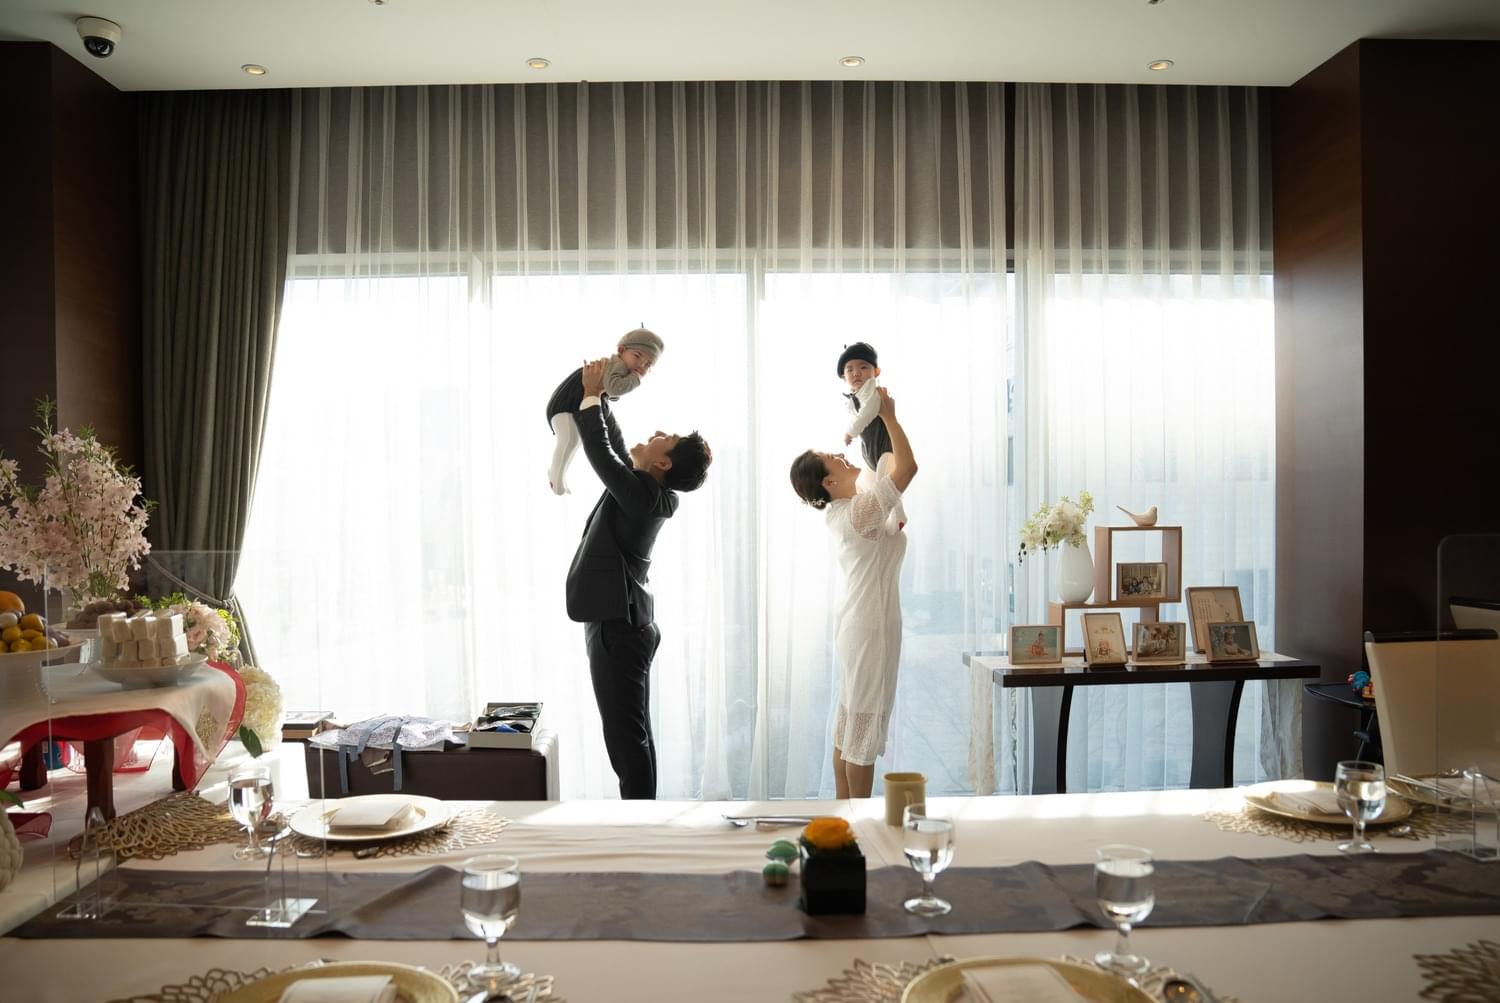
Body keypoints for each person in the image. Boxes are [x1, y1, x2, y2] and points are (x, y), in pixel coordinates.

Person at [564, 357, 712, 799]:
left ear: (663, 462)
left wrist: (593, 398)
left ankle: (640, 823)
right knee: (633, 736)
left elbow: (602, 456)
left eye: (666, 438)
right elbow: (615, 448)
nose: (658, 432)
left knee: (626, 741)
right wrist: (601, 398)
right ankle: (645, 819)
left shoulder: (645, 495)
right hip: (624, 623)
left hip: (619, 626)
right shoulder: (648, 491)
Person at [789, 385, 917, 799]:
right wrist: (890, 417)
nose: (843, 457)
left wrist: (873, 420)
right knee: (860, 725)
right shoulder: (859, 511)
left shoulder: (847, 510)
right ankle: (858, 820)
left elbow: (885, 470)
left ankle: (844, 813)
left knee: (850, 721)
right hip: (870, 627)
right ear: (828, 481)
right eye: (835, 459)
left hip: (859, 624)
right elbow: (907, 469)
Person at [545, 327, 663, 495]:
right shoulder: (618, 365)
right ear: (621, 350)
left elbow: (611, 392)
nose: (640, 365)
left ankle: (558, 475)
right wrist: (636, 378)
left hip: (579, 403)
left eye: (648, 364)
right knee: (569, 440)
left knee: (575, 441)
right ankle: (555, 479)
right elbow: (615, 388)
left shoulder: (616, 366)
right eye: (637, 356)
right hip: (568, 403)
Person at [836, 342, 907, 535]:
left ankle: (899, 516)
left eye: (863, 367)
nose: (856, 373)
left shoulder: (873, 392)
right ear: (843, 376)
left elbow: (868, 412)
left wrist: (850, 432)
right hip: (870, 451)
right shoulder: (854, 396)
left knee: (887, 485)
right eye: (850, 369)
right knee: (868, 485)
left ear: (876, 372)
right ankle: (873, 520)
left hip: (884, 447)